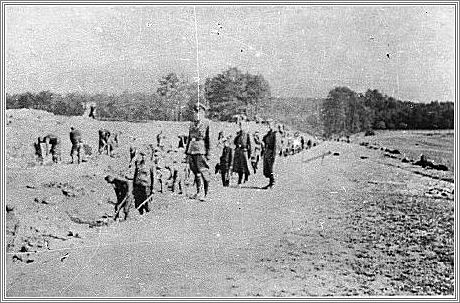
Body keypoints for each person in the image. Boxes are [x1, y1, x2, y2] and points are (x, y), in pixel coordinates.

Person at [185, 102, 210, 201]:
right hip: (192, 150)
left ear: (203, 113)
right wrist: (187, 152)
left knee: (204, 171)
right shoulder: (191, 124)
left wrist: (208, 154)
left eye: (199, 112)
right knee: (195, 172)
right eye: (195, 112)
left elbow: (209, 140)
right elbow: (189, 139)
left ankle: (206, 193)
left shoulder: (206, 123)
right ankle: (198, 192)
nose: (196, 114)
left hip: (201, 150)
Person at [132, 150, 154, 215]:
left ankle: (148, 215)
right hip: (138, 185)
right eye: (142, 155)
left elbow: (154, 177)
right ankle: (140, 214)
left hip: (146, 186)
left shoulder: (151, 165)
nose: (143, 157)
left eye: (145, 155)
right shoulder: (138, 164)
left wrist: (154, 188)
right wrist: (133, 185)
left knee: (146, 202)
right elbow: (135, 174)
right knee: (138, 201)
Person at [262, 121, 278, 189]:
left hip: (271, 152)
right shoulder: (268, 134)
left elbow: (275, 146)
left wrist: (273, 155)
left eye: (270, 125)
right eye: (268, 125)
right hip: (267, 152)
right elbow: (264, 140)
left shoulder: (275, 134)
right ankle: (270, 182)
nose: (268, 126)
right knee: (267, 168)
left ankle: (272, 182)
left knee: (271, 168)